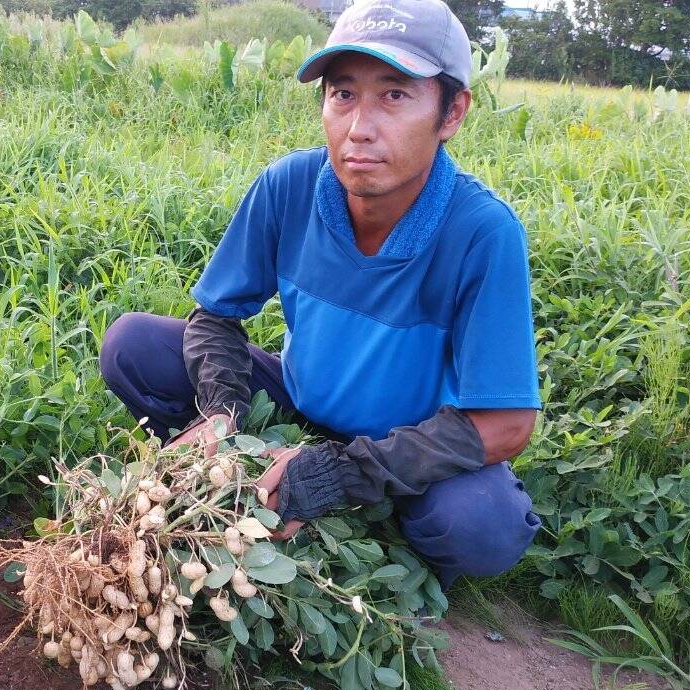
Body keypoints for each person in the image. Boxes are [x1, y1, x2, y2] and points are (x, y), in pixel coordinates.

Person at [98, 0, 542, 588]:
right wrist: (222, 411)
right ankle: (241, 467)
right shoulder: (290, 185)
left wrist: (343, 471)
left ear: (451, 111)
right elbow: (215, 317)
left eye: (395, 95)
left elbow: (507, 425)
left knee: (484, 526)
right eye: (342, 94)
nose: (360, 127)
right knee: (133, 345)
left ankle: (361, 501)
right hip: (298, 396)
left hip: (413, 439)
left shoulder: (482, 232)